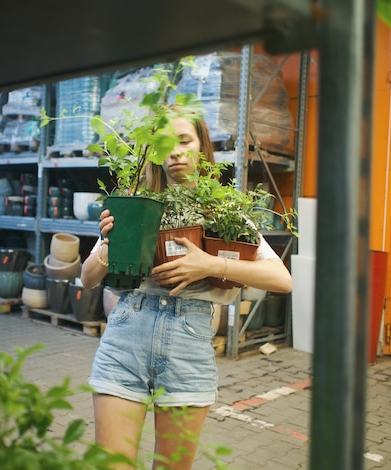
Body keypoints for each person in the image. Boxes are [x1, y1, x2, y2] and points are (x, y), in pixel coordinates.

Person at [81, 108, 293, 469]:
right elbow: (87, 279)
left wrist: (211, 264)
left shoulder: (223, 210)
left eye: (185, 141)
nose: (176, 152)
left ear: (202, 147)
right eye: (166, 144)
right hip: (125, 339)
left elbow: (282, 280)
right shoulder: (136, 203)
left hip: (187, 346)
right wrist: (110, 242)